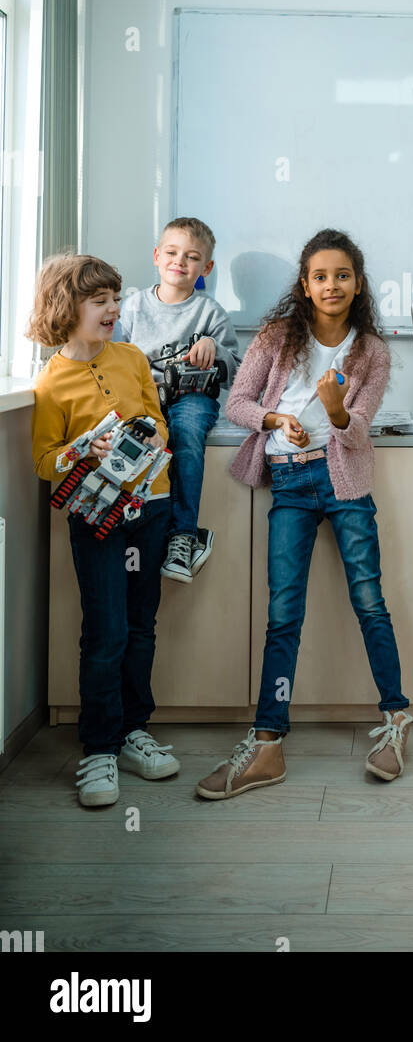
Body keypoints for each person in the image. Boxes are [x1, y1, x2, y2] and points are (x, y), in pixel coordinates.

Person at [195, 229, 413, 799]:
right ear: (305, 284)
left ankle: (395, 722)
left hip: (343, 483)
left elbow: (359, 430)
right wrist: (276, 421)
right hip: (290, 481)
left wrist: (338, 411)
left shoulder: (371, 351)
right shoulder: (277, 336)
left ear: (358, 284)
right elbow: (239, 402)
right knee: (283, 612)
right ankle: (267, 744)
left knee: (370, 600)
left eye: (342, 275)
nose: (332, 285)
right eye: (320, 276)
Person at [29, 253, 181, 807]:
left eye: (116, 299)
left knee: (141, 625)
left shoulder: (132, 359)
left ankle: (133, 731)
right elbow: (46, 461)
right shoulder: (52, 381)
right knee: (106, 629)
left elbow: (159, 420)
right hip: (95, 519)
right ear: (68, 307)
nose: (115, 309)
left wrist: (149, 437)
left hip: (151, 506)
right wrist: (80, 449)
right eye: (101, 301)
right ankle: (99, 748)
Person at [117, 216, 241, 583]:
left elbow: (237, 369)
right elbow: (115, 356)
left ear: (207, 267)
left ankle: (183, 536)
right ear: (157, 255)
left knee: (186, 436)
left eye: (191, 257)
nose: (179, 262)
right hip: (144, 396)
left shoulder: (210, 312)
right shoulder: (133, 307)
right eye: (171, 252)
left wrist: (213, 347)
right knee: (135, 438)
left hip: (192, 398)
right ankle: (137, 526)